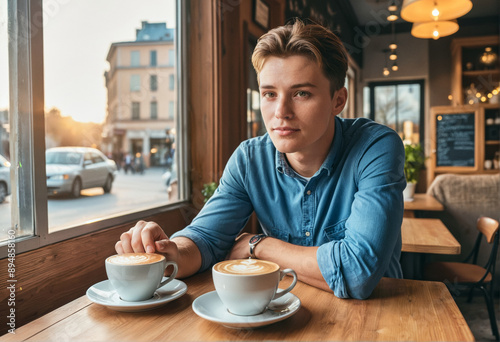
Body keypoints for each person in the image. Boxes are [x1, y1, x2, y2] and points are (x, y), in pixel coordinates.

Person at [115, 19, 406, 299]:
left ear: (337, 100)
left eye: (301, 93)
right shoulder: (249, 159)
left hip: (382, 317)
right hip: (285, 312)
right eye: (269, 94)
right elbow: (205, 239)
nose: (281, 112)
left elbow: (358, 274)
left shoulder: (376, 146)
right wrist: (170, 251)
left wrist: (259, 246)